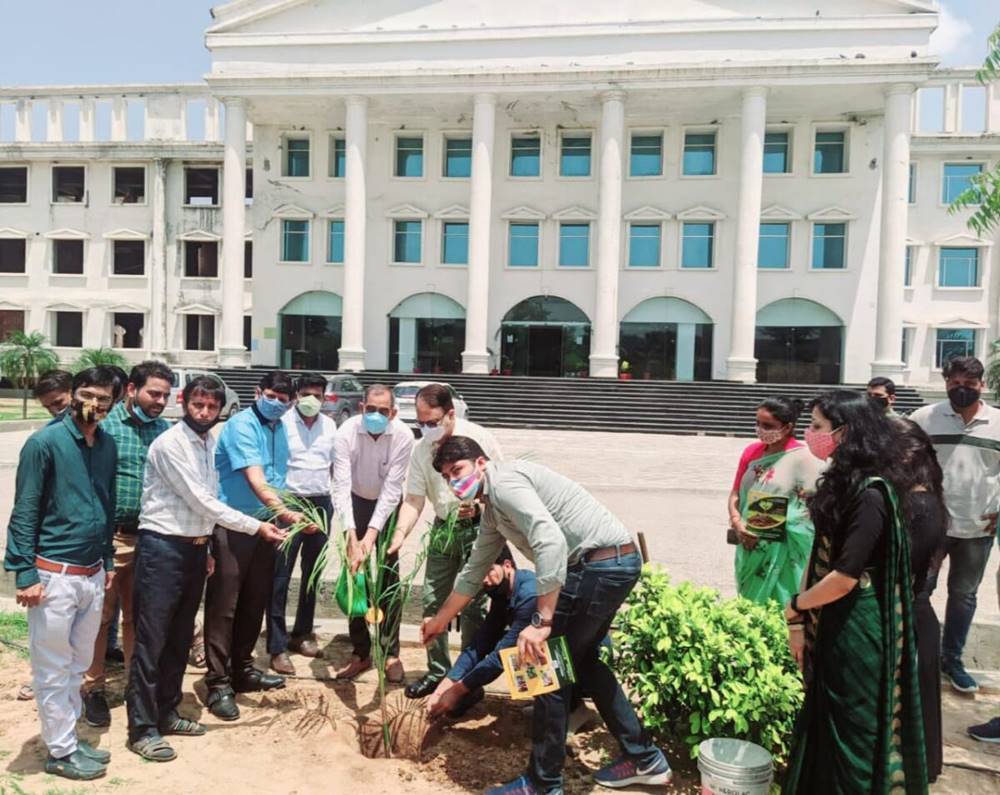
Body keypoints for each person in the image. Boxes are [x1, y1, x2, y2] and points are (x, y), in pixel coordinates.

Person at [422, 436, 670, 794]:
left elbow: (549, 541)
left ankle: (542, 783)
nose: (453, 481)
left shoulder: (504, 483)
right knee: (580, 661)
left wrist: (542, 621)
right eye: (446, 476)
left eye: (457, 470)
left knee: (543, 666)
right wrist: (440, 621)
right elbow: (474, 570)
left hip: (597, 566)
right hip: (611, 563)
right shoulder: (492, 509)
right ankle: (645, 759)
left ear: (480, 463)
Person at [125, 376, 285, 762]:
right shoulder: (170, 445)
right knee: (152, 640)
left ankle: (167, 712)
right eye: (198, 404)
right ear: (184, 402)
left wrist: (208, 545)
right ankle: (142, 729)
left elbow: (211, 497)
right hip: (163, 548)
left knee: (179, 637)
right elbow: (200, 499)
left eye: (212, 407)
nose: (205, 412)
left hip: (194, 550)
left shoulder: (209, 442)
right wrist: (256, 526)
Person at [783, 390, 927, 794]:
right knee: (828, 725)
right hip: (835, 618)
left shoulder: (870, 495)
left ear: (845, 434)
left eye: (817, 427)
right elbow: (820, 560)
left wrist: (795, 607)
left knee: (852, 734)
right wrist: (801, 620)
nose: (810, 434)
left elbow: (844, 577)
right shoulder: (845, 485)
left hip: (856, 629)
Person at [4, 367, 119, 781]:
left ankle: (67, 739)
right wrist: (23, 572)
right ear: (72, 394)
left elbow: (105, 507)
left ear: (113, 404)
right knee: (52, 668)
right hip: (54, 574)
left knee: (78, 664)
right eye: (87, 394)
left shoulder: (106, 445)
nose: (94, 404)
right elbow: (25, 510)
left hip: (90, 575)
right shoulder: (45, 443)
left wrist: (107, 562)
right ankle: (60, 751)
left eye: (104, 399)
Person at [204, 370, 304, 721]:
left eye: (283, 398)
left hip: (267, 527)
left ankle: (242, 669)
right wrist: (287, 513)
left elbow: (278, 478)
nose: (277, 403)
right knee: (224, 605)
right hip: (233, 525)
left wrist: (282, 515)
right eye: (271, 396)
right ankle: (217, 682)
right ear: (257, 392)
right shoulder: (242, 426)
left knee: (254, 600)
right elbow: (256, 478)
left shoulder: (280, 429)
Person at [390, 383, 500, 700]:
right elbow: (413, 499)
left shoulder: (479, 439)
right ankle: (438, 671)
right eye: (420, 423)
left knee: (473, 607)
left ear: (450, 413)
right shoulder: (422, 449)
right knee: (433, 600)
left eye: (432, 421)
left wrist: (479, 504)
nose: (426, 428)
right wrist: (399, 535)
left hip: (479, 528)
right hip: (442, 527)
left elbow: (500, 482)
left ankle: (468, 678)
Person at [81, 361, 173, 728]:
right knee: (100, 617)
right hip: (109, 537)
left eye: (166, 395)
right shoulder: (105, 425)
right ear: (132, 389)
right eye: (154, 393)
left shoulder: (165, 431)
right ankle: (93, 688)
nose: (161, 401)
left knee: (141, 616)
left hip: (151, 536)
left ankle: (138, 687)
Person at [910, 356, 1000, 694]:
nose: (961, 389)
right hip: (932, 527)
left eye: (969, 384)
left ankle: (953, 660)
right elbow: (903, 459)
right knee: (920, 590)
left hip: (979, 527)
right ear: (945, 382)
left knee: (963, 596)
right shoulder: (924, 418)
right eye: (954, 383)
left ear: (982, 385)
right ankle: (917, 657)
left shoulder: (998, 422)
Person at [332, 384, 414, 681]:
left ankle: (391, 652)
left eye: (383, 411)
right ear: (361, 408)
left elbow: (393, 489)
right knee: (355, 576)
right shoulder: (346, 433)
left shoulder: (403, 436)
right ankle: (361, 651)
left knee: (388, 575)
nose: (376, 415)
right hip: (354, 502)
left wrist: (371, 536)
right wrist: (353, 537)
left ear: (393, 412)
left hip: (387, 507)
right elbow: (340, 486)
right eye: (371, 409)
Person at [888, 417, 947, 782]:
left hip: (912, 618)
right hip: (913, 613)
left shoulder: (920, 504)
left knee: (913, 703)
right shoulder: (918, 497)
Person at [267, 374, 337, 675]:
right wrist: (279, 507)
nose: (312, 400)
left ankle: (302, 634)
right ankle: (277, 646)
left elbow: (336, 466)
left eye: (318, 395)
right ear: (296, 396)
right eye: (307, 394)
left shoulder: (330, 425)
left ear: (324, 398)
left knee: (313, 574)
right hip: (289, 502)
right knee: (280, 575)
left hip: (321, 502)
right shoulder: (281, 423)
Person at [727, 397, 825, 606]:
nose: (760, 429)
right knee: (749, 603)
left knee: (781, 605)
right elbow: (735, 493)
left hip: (785, 550)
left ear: (788, 427)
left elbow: (813, 509)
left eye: (768, 425)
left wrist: (767, 529)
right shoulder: (752, 452)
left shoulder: (805, 458)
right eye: (758, 423)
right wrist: (736, 520)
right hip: (748, 542)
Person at [426, 547, 531, 719]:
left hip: (571, 653)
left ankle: (566, 707)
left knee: (527, 652)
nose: (485, 580)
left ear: (507, 565)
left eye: (489, 570)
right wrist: (446, 684)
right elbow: (481, 642)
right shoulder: (503, 592)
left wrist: (457, 690)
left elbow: (501, 657)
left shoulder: (528, 596)